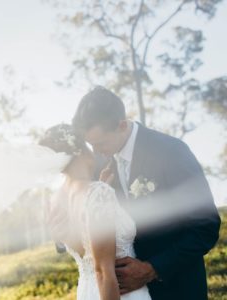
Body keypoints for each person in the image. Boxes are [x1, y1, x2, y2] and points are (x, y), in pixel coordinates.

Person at [68, 86, 221, 300]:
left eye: (100, 143)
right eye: (91, 145)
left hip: (177, 289)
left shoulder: (172, 151)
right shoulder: (100, 165)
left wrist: (152, 268)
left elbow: (206, 227)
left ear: (121, 125)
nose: (96, 152)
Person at [40, 124, 152, 300]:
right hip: (117, 293)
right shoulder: (98, 193)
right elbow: (102, 272)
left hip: (87, 292)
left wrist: (101, 192)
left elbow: (86, 245)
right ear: (80, 150)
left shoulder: (56, 200)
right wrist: (101, 193)